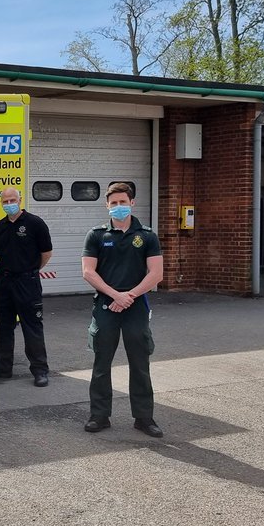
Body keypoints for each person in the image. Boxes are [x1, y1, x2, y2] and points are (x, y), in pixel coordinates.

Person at [81, 182, 164, 437]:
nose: (118, 207)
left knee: (140, 363)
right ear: (107, 205)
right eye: (113, 203)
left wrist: (129, 296)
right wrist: (116, 295)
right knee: (101, 363)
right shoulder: (96, 235)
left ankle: (144, 418)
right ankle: (99, 416)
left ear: (132, 203)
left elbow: (156, 273)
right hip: (106, 305)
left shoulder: (147, 235)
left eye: (122, 202)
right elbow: (88, 272)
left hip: (135, 306)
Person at [0, 187, 54, 387]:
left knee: (32, 327)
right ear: (1, 203)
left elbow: (46, 253)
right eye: (5, 201)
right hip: (4, 281)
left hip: (27, 282)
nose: (9, 204)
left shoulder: (35, 224)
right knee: (3, 326)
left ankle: (40, 370)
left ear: (20, 200)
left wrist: (29, 270)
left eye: (12, 200)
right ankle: (3, 367)